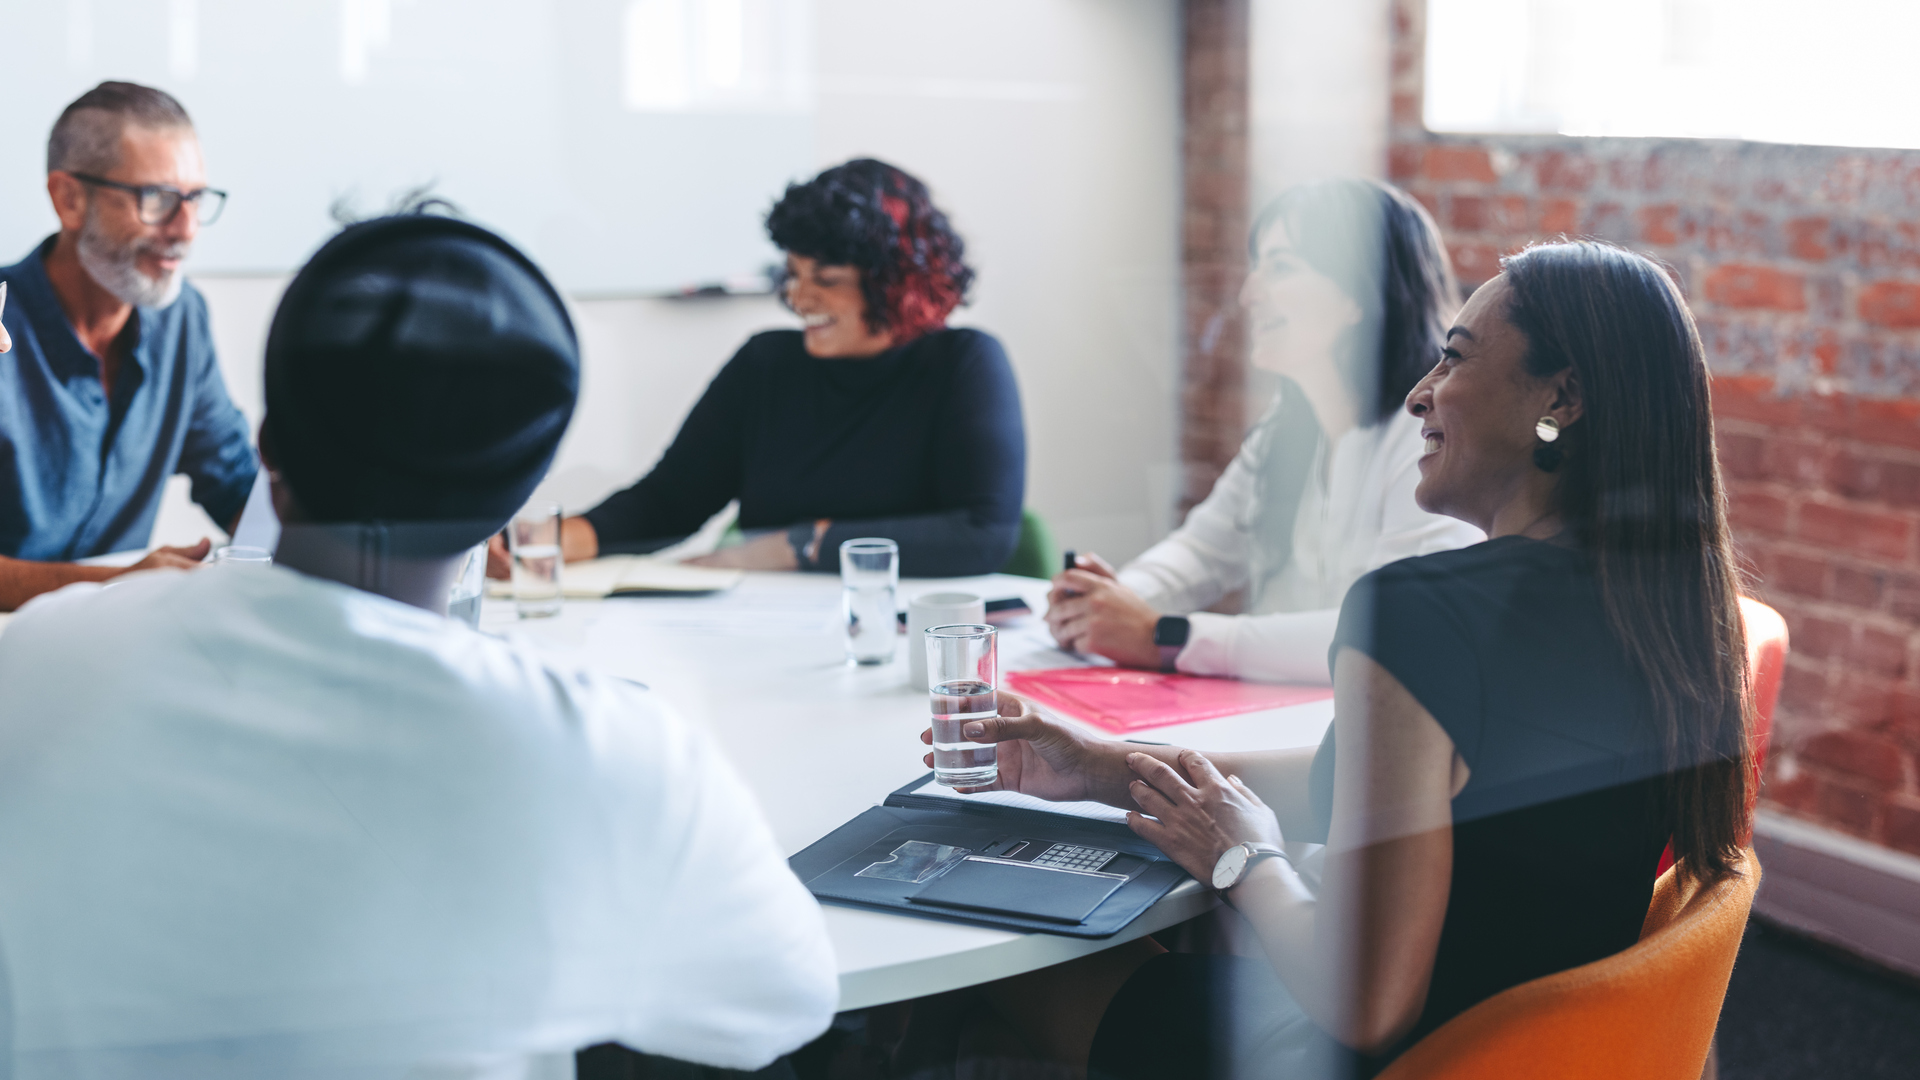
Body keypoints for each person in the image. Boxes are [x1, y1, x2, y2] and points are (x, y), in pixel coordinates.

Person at [0, 212, 836, 1078]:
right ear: (513, 497)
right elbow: (785, 1005)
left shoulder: (41, 662)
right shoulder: (614, 757)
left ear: (268, 454)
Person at [917, 240, 1754, 1077]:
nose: (1419, 394)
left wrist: (1244, 858)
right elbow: (1373, 797)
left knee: (986, 959)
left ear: (1561, 396)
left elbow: (1364, 1004)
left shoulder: (1423, 614)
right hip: (1536, 1050)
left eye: (1454, 360)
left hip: (1385, 1059)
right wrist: (1099, 767)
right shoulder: (1669, 618)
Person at [491, 158, 1025, 578]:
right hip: (763, 630)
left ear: (898, 282)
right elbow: (668, 502)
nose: (798, 297)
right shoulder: (766, 364)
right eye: (791, 274)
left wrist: (794, 545)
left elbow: (980, 536)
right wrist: (543, 545)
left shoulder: (964, 364)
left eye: (827, 278)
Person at [1046, 181, 1482, 683]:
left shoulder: (1428, 438)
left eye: (1281, 267)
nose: (1248, 293)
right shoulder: (1286, 426)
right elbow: (1203, 551)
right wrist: (1107, 601)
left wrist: (1166, 634)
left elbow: (1393, 631)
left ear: (1359, 292)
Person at [0, 81, 256, 610]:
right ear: (69, 198)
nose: (185, 229)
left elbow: (236, 486)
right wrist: (111, 585)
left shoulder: (182, 318)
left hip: (111, 650)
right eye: (157, 199)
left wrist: (420, 539)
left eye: (196, 199)